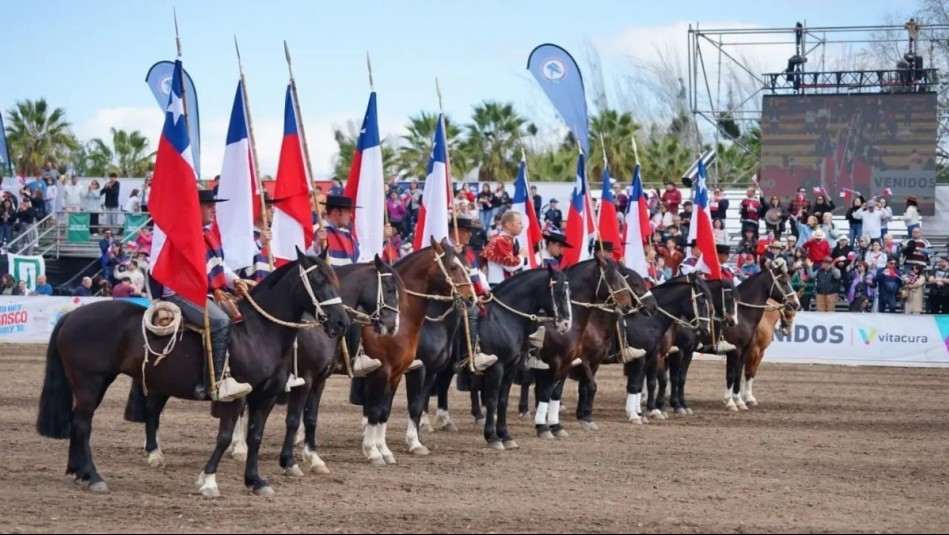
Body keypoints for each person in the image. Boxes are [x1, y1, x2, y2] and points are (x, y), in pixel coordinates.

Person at [158, 189, 252, 403]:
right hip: (180, 293)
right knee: (220, 322)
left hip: (203, 293)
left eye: (214, 205)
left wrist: (235, 280)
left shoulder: (206, 234)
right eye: (209, 205)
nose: (214, 209)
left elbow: (219, 266)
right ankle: (213, 384)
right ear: (195, 208)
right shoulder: (185, 234)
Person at [313, 195, 380, 377]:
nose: (351, 216)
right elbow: (306, 259)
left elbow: (356, 262)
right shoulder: (318, 231)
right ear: (336, 212)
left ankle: (357, 354)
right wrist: (317, 244)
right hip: (324, 289)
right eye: (348, 213)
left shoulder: (349, 236)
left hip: (347, 288)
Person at [483, 211, 529, 287]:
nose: (522, 226)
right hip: (499, 285)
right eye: (519, 223)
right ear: (509, 225)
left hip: (507, 284)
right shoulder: (499, 241)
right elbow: (510, 266)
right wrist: (521, 256)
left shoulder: (510, 240)